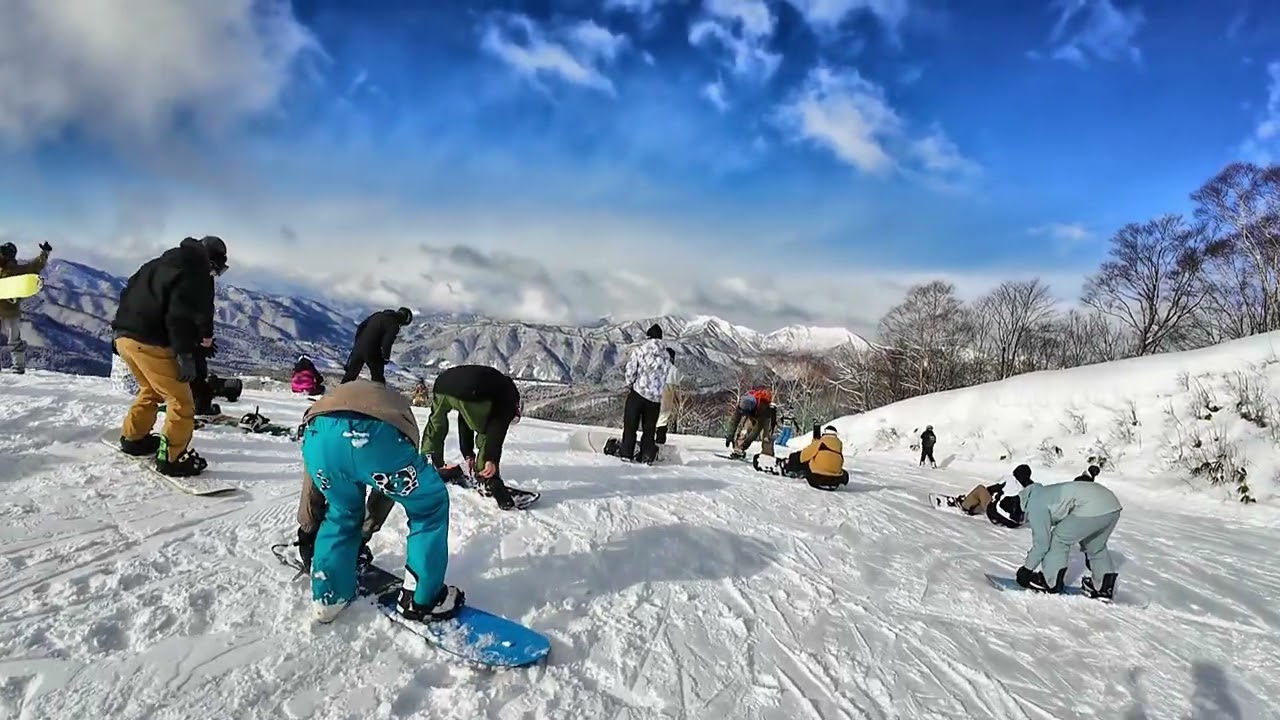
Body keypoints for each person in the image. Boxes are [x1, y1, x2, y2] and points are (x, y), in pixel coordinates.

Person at [298, 378, 463, 623]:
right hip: (380, 437)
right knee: (429, 506)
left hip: (320, 437)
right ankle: (421, 599)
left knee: (342, 509)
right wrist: (366, 530)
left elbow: (312, 483)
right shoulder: (396, 406)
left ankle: (328, 598)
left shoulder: (326, 402)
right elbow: (389, 489)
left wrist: (307, 529)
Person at [111, 236, 226, 477]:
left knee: (151, 389)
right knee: (181, 401)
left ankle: (134, 438)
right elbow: (181, 315)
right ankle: (173, 458)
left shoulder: (159, 263)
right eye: (217, 269)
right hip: (150, 342)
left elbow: (128, 292)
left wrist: (120, 331)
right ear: (212, 261)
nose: (214, 275)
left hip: (125, 338)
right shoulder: (198, 272)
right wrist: (189, 350)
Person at [421, 364, 531, 510]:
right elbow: (495, 429)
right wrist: (490, 459)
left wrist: (467, 454)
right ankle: (486, 478)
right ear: (517, 409)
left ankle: (427, 462)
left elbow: (464, 419)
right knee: (485, 432)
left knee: (436, 423)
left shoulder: (496, 386)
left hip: (443, 384)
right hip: (472, 391)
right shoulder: (509, 399)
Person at [1011, 480, 1123, 599]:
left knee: (1058, 538)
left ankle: (1051, 582)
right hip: (1112, 505)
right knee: (1095, 546)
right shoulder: (1040, 493)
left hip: (1091, 506)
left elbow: (1042, 544)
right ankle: (1105, 586)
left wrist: (1026, 569)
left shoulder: (1034, 506)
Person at [619, 324, 672, 464]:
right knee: (649, 430)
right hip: (655, 399)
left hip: (639, 393)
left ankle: (626, 453)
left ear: (648, 336)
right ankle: (646, 455)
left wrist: (630, 384)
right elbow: (666, 375)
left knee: (630, 425)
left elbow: (631, 370)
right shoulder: (666, 355)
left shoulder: (640, 350)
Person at [0, 240, 52, 374]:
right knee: (14, 339)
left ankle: (18, 366)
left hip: (11, 311)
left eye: (2, 254)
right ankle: (18, 366)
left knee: (14, 340)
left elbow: (35, 266)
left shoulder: (18, 270)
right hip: (6, 310)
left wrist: (44, 253)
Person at [341, 307, 412, 384]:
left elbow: (361, 326)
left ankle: (339, 393)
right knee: (378, 379)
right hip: (372, 351)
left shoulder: (377, 315)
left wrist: (357, 343)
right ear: (404, 320)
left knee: (349, 376)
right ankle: (377, 395)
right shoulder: (394, 324)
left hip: (358, 348)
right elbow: (387, 342)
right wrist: (386, 358)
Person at [778, 425, 849, 491]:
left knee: (803, 460)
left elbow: (804, 455)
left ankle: (787, 467)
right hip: (835, 481)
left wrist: (792, 457)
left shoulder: (821, 442)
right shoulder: (839, 445)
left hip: (817, 479)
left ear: (824, 433)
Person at [725, 387, 776, 460]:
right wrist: (730, 435)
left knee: (766, 436)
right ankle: (739, 449)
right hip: (753, 413)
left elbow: (756, 430)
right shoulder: (741, 405)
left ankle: (767, 455)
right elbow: (734, 420)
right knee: (745, 430)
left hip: (766, 416)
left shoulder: (762, 407)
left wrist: (746, 444)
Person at [655, 347, 679, 445]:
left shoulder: (657, 367)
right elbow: (677, 387)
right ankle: (660, 443)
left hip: (654, 397)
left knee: (651, 420)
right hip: (667, 399)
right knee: (662, 421)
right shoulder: (674, 370)